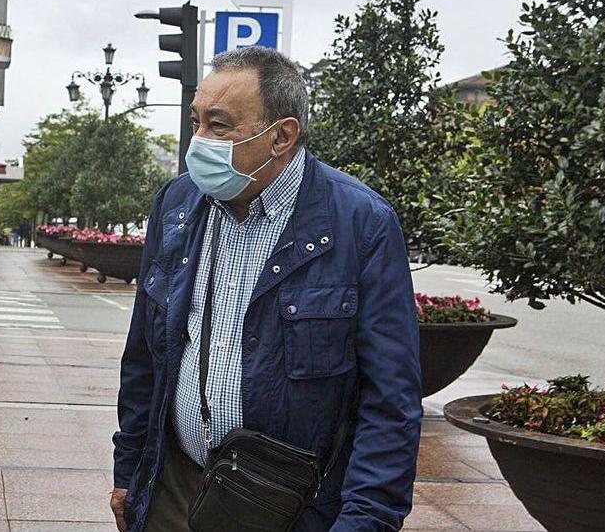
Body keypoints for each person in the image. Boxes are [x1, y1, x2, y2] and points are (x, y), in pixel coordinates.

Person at [111, 47, 421, 531]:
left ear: (281, 136)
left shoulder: (361, 224)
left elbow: (390, 399)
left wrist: (366, 521)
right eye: (196, 122)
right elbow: (145, 358)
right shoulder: (176, 203)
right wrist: (129, 472)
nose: (199, 142)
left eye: (219, 125)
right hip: (175, 484)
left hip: (291, 506)